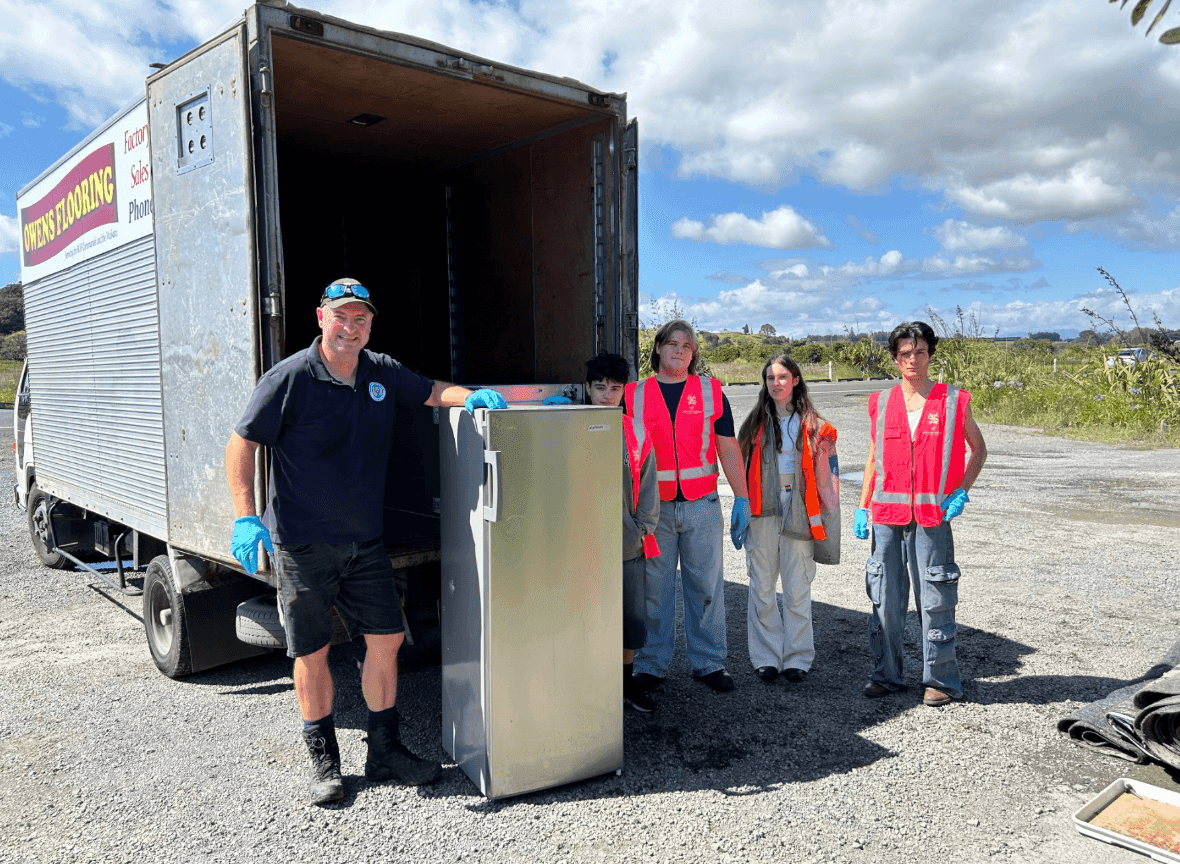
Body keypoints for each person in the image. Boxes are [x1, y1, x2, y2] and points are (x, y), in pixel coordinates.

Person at [224, 277, 506, 805]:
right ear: (321, 318)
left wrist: (470, 399)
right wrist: (245, 515)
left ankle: (384, 751)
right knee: (313, 651)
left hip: (365, 542)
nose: (350, 328)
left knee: (387, 640)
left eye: (361, 319)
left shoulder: (380, 370)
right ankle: (324, 763)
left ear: (370, 324)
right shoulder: (289, 378)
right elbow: (242, 443)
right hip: (302, 544)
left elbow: (430, 390)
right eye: (341, 317)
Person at [853, 321, 987, 707]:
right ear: (896, 359)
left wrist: (961, 491)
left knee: (935, 599)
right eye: (905, 354)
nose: (913, 359)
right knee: (885, 598)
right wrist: (862, 505)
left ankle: (941, 681)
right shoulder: (881, 402)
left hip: (932, 517)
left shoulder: (953, 400)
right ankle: (886, 676)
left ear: (930, 354)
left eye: (920, 352)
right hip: (886, 516)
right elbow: (874, 458)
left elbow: (978, 450)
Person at [623, 320, 750, 696]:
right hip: (653, 512)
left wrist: (742, 497)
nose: (679, 350)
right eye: (672, 344)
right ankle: (650, 664)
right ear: (658, 348)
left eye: (687, 346)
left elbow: (727, 446)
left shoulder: (710, 391)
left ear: (693, 353)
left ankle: (709, 662)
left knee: (706, 587)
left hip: (701, 505)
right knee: (654, 591)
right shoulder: (633, 395)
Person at [736, 354, 838, 684]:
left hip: (799, 513)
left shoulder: (817, 427)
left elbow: (829, 484)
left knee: (797, 590)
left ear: (795, 381)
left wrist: (828, 525)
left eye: (782, 377)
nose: (776, 383)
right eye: (770, 378)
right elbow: (739, 469)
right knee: (762, 588)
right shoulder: (753, 425)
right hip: (762, 514)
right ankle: (766, 657)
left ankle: (797, 658)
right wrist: (741, 511)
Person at [581, 353, 662, 712]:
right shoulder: (569, 426)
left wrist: (640, 529)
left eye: (614, 389)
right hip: (582, 545)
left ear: (624, 391)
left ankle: (626, 686)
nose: (606, 395)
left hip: (627, 544)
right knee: (587, 617)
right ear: (587, 388)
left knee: (630, 619)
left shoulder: (636, 430)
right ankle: (591, 688)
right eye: (600, 388)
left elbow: (649, 486)